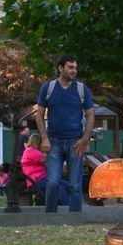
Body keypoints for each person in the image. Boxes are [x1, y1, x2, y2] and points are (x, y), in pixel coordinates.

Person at [35, 55, 95, 213]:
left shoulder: (82, 89)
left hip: (75, 142)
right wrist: (44, 138)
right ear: (60, 68)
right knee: (52, 183)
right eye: (70, 67)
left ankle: (75, 220)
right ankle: (51, 219)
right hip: (53, 142)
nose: (74, 70)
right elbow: (39, 115)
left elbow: (90, 115)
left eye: (75, 67)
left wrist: (85, 139)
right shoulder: (48, 88)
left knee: (75, 185)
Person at [19, 133, 47, 200]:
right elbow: (43, 160)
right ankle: (67, 208)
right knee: (58, 186)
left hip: (39, 179)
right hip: (36, 180)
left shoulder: (29, 150)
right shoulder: (31, 150)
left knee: (65, 185)